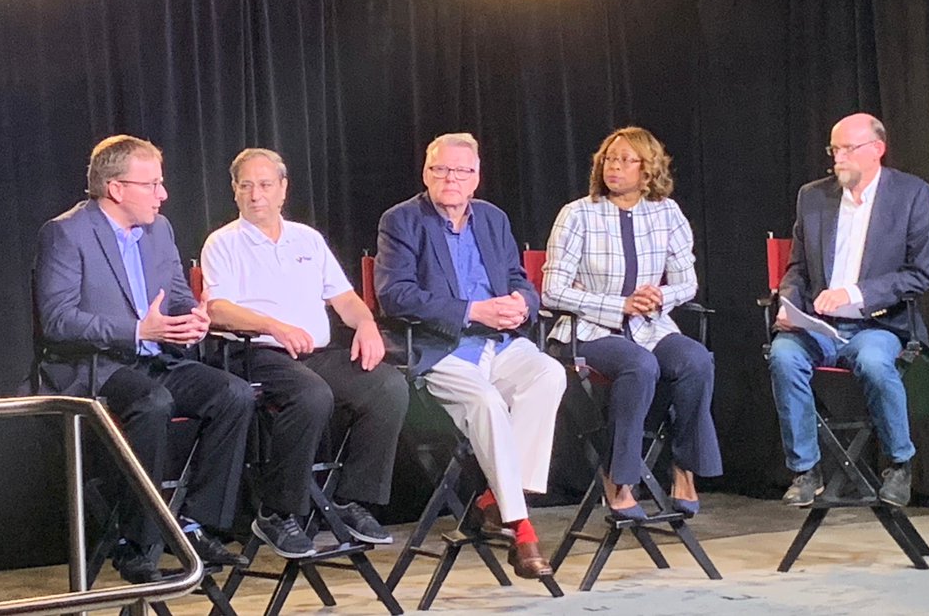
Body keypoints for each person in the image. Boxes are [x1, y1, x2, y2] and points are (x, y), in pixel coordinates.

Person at [33, 135, 255, 584]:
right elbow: (57, 320)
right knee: (153, 402)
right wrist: (137, 331)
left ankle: (196, 525)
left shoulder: (160, 229)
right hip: (95, 367)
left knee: (234, 393)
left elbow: (177, 296)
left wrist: (193, 318)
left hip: (155, 360)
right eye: (151, 184)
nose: (163, 194)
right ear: (116, 188)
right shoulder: (66, 232)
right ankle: (137, 544)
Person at [375, 133, 567, 580]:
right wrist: (472, 311)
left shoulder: (493, 219)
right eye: (441, 169)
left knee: (549, 373)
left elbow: (519, 279)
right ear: (426, 172)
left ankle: (492, 502)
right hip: (440, 348)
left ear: (476, 177)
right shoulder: (401, 220)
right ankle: (521, 528)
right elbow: (394, 295)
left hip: (498, 342)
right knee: (487, 401)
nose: (451, 179)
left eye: (461, 171)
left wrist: (522, 304)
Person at [201, 148, 408, 558]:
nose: (256, 195)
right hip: (256, 353)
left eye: (265, 185)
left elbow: (344, 298)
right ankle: (277, 512)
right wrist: (273, 325)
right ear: (234, 191)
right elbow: (216, 309)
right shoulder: (223, 242)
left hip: (313, 352)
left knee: (388, 385)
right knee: (311, 394)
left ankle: (353, 499)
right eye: (246, 186)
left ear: (283, 188)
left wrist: (367, 325)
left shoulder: (307, 239)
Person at [542, 126, 722, 520]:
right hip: (588, 330)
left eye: (626, 160)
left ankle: (684, 468)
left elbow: (687, 283)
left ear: (648, 169)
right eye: (610, 159)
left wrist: (658, 297)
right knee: (639, 364)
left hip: (650, 326)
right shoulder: (577, 214)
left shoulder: (667, 212)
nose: (615, 167)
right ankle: (619, 478)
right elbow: (552, 291)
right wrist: (619, 305)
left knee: (696, 360)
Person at [769, 113, 929, 508]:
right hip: (819, 326)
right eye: (834, 149)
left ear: (877, 149)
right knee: (783, 356)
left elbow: (919, 274)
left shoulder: (911, 194)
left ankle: (899, 464)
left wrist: (854, 293)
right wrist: (788, 304)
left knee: (876, 363)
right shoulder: (813, 196)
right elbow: (797, 268)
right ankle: (806, 470)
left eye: (847, 149)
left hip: (878, 324)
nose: (838, 158)